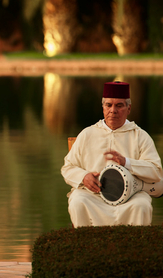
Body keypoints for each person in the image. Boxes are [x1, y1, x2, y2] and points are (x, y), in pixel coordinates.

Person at [61, 81, 163, 228]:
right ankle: (86, 248)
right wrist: (84, 177)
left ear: (129, 108)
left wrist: (126, 162)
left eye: (119, 105)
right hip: (93, 196)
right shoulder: (87, 134)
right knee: (78, 200)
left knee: (142, 205)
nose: (113, 110)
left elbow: (156, 172)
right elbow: (67, 168)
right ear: (103, 107)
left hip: (131, 197)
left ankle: (136, 249)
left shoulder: (140, 136)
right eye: (108, 105)